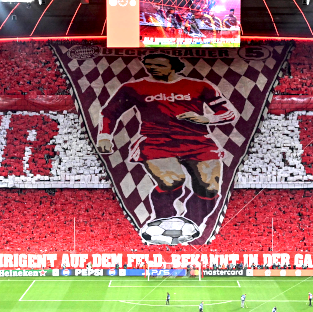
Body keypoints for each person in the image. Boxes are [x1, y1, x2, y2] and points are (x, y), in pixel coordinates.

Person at [95, 53, 236, 227]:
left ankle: (191, 225)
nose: (152, 68)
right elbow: (109, 112)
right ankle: (162, 221)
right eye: (149, 65)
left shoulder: (200, 86)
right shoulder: (133, 87)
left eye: (159, 65)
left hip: (198, 140)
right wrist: (105, 136)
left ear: (174, 65)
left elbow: (228, 112)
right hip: (156, 140)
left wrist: (207, 118)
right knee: (172, 181)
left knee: (210, 187)